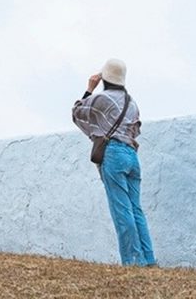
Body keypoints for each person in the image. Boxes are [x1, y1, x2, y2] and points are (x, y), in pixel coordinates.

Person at [72, 57, 156, 266]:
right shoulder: (132, 102)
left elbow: (77, 112)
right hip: (131, 155)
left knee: (122, 210)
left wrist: (90, 89)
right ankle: (148, 258)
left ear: (105, 78)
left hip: (114, 155)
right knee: (136, 210)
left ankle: (133, 262)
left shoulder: (103, 99)